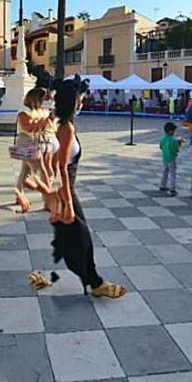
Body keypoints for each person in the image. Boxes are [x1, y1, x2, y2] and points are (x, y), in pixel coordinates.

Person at [42, 76, 126, 299]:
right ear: (73, 102)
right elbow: (60, 167)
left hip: (64, 190)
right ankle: (96, 283)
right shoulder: (66, 128)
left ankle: (92, 280)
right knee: (81, 237)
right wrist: (67, 204)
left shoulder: (64, 125)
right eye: (80, 99)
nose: (82, 102)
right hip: (65, 191)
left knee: (76, 238)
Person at [14, 88, 56, 213]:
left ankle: (18, 194)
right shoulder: (24, 111)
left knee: (25, 172)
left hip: (37, 142)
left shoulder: (40, 110)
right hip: (26, 142)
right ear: (35, 99)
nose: (44, 102)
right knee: (42, 171)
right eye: (42, 99)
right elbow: (28, 127)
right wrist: (44, 122)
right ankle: (48, 201)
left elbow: (47, 126)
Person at [159, 121, 183, 196]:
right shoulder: (173, 141)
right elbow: (176, 150)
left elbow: (161, 147)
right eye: (174, 131)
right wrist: (179, 143)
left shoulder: (162, 139)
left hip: (164, 158)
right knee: (173, 173)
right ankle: (172, 188)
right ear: (171, 131)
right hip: (172, 159)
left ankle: (162, 185)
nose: (175, 132)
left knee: (164, 172)